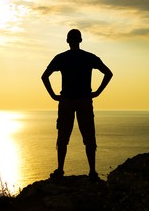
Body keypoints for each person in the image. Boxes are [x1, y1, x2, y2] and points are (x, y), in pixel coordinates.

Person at [41, 29, 113, 182]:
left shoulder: (61, 58)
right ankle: (92, 171)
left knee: (63, 137)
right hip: (85, 101)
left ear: (68, 41)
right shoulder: (89, 57)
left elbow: (44, 76)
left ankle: (60, 170)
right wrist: (98, 92)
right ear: (80, 40)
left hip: (66, 101)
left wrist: (53, 95)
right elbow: (108, 73)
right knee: (89, 136)